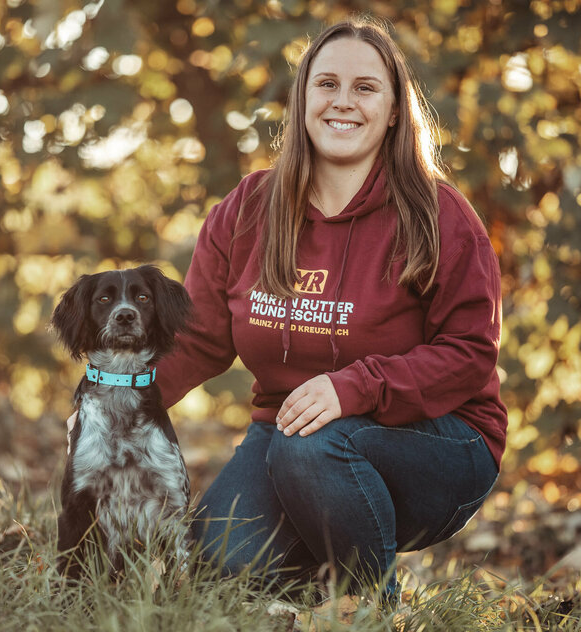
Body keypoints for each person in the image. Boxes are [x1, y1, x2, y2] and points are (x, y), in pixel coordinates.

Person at [69, 18, 506, 602]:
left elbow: (470, 355)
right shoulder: (248, 208)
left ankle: (369, 603)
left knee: (314, 445)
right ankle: (317, 582)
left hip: (438, 443)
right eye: (325, 84)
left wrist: (352, 388)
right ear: (302, 100)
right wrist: (104, 404)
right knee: (216, 567)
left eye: (365, 87)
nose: (342, 102)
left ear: (396, 109)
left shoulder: (438, 214)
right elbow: (196, 341)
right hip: (285, 439)